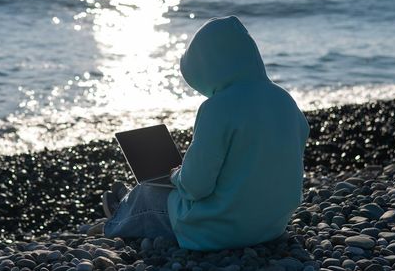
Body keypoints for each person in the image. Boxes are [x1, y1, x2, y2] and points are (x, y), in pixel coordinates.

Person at [100, 16, 310, 251]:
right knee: (159, 191)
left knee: (146, 194)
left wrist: (176, 176)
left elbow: (197, 186)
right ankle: (124, 199)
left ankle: (116, 218)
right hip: (273, 225)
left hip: (219, 229)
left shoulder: (217, 107)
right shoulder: (284, 99)